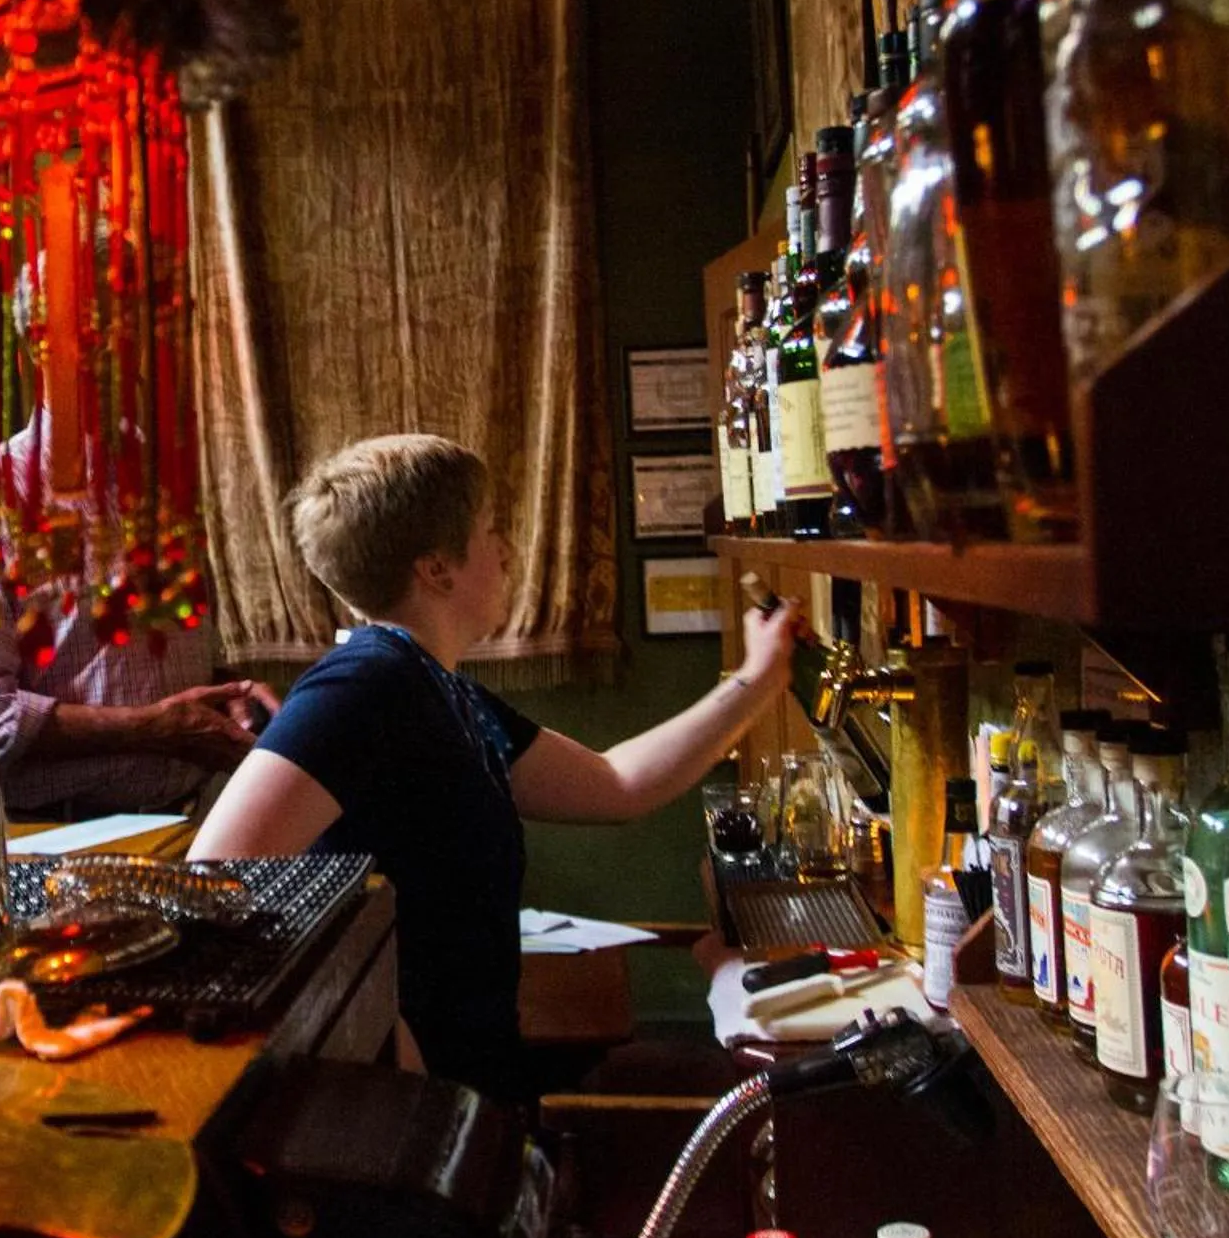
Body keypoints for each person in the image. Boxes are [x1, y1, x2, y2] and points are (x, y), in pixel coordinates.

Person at [189, 434, 801, 1101]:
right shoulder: (365, 686)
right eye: (489, 530)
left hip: (476, 1074)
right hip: (414, 1101)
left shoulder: (441, 690)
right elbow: (215, 880)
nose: (507, 549)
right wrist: (374, 1027)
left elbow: (619, 782)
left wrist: (758, 678)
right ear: (437, 570)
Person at [0, 413, 276, 820]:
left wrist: (228, 691)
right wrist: (153, 728)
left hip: (187, 817)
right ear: (34, 350)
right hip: (57, 833)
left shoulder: (161, 471)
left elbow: (131, 662)